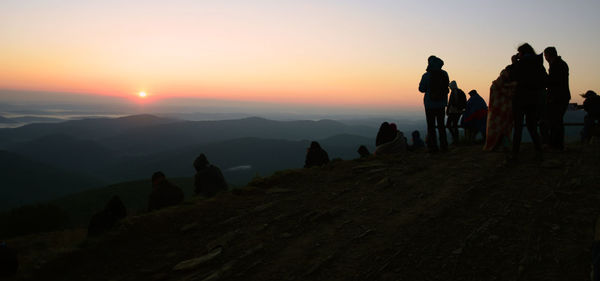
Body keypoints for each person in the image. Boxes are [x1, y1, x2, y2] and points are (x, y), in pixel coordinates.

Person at [510, 43, 547, 160]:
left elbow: (514, 76)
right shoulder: (539, 64)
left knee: (518, 127)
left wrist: (514, 63)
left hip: (520, 98)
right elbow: (544, 80)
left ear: (522, 53)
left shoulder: (521, 64)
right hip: (534, 99)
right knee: (532, 127)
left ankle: (515, 153)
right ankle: (538, 150)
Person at [484, 60, 517, 151]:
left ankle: (496, 145)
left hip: (497, 108)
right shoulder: (512, 85)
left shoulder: (497, 84)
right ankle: (503, 145)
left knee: (498, 128)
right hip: (506, 108)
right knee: (505, 128)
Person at [419, 55, 450, 153]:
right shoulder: (444, 73)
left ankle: (433, 147)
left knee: (431, 126)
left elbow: (421, 89)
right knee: (441, 125)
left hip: (430, 104)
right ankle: (444, 146)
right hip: (441, 104)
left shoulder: (426, 75)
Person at [543, 47, 571, 150]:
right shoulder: (560, 64)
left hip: (557, 97)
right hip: (561, 96)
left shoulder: (556, 65)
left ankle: (556, 145)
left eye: (545, 55)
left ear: (548, 55)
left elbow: (552, 82)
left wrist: (544, 75)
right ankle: (556, 144)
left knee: (555, 121)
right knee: (556, 121)